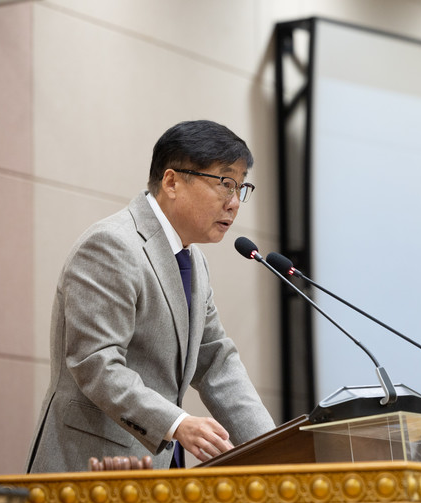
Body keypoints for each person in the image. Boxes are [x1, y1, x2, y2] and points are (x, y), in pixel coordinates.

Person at [26, 120, 275, 473]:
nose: (234, 203)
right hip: (89, 467)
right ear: (172, 182)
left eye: (240, 186)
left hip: (155, 472)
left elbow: (216, 360)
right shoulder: (112, 245)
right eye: (224, 183)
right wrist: (176, 423)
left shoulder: (194, 261)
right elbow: (96, 362)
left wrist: (273, 447)